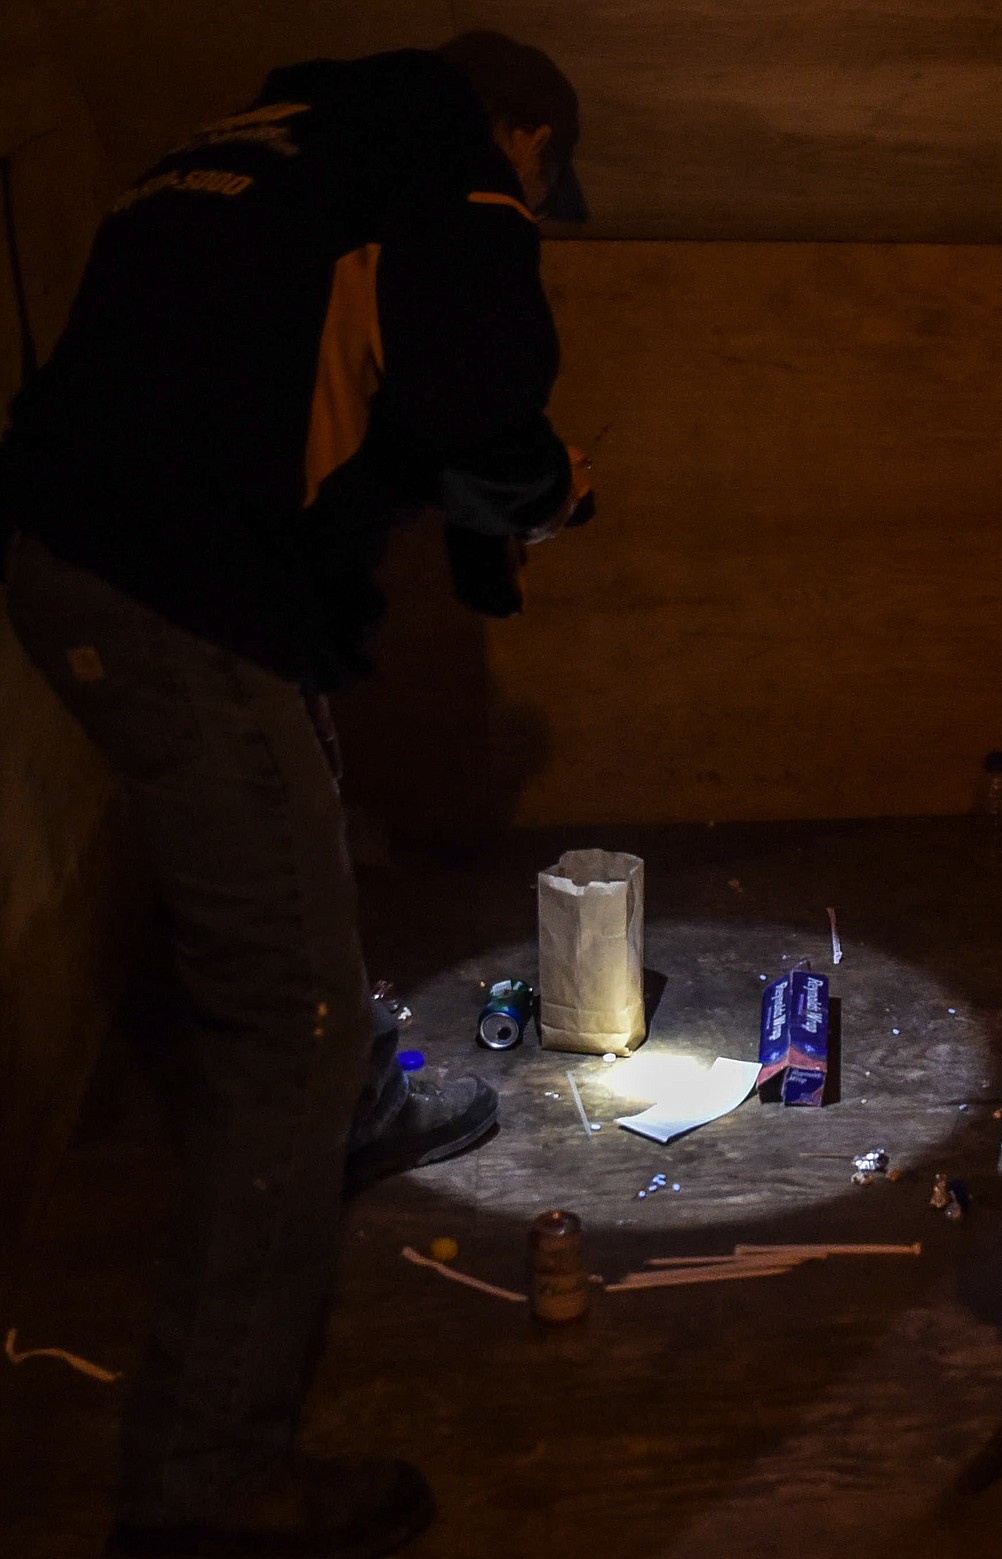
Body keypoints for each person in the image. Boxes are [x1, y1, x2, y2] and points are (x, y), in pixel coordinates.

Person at [0, 31, 590, 1559]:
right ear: (523, 132)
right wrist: (546, 493)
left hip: (111, 552)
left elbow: (292, 392)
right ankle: (204, 1485)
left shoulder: (261, 135)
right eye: (543, 174)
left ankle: (365, 1111)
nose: (532, 197)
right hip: (169, 589)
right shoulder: (449, 176)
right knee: (291, 1015)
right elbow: (478, 407)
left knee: (295, 814)